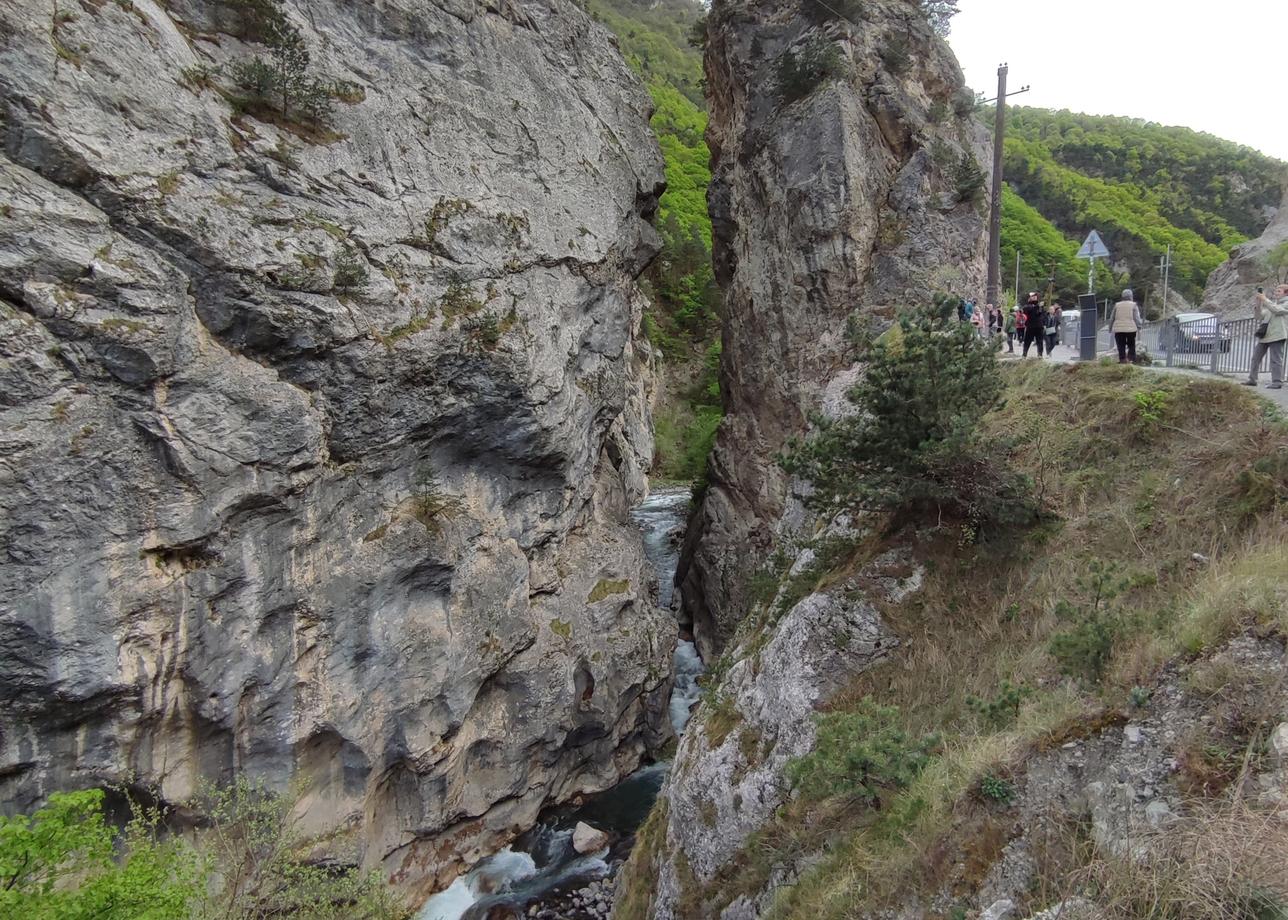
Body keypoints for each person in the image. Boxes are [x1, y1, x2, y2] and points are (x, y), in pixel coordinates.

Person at [1243, 283, 1288, 389]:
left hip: (1278, 335)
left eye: (1279, 291)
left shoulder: (1285, 303)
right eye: (1276, 291)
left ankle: (1277, 382)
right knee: (1255, 358)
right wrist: (1259, 303)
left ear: (1286, 293)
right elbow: (1258, 316)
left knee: (1275, 359)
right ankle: (1252, 379)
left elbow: (1277, 310)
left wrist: (1265, 299)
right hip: (1265, 335)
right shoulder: (1272, 304)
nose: (1276, 293)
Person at [1109, 288, 1143, 363]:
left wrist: (1110, 328)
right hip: (1131, 329)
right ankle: (1131, 359)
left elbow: (1112, 318)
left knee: (1120, 345)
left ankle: (1122, 360)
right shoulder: (1134, 305)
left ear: (1122, 296)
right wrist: (1139, 326)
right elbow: (1136, 318)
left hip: (1118, 329)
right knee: (1131, 344)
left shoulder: (1117, 305)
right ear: (1131, 296)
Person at [1021, 292, 1045, 357]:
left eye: (1035, 296)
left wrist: (1040, 307)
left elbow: (1041, 314)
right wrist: (1037, 306)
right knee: (1027, 341)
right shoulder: (1028, 306)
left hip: (1039, 326)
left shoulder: (1040, 306)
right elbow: (1026, 309)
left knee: (1039, 341)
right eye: (1032, 296)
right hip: (1030, 326)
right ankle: (1024, 354)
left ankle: (1040, 355)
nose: (1033, 297)